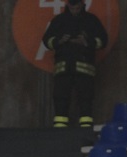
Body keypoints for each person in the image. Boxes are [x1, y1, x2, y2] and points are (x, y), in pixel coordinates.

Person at [42, 0, 108, 128]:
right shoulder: (59, 20)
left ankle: (86, 126)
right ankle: (60, 125)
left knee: (86, 97)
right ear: (68, 6)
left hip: (84, 68)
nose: (75, 11)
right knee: (60, 97)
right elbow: (47, 40)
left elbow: (103, 40)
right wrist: (59, 41)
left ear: (82, 5)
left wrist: (86, 42)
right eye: (72, 8)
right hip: (63, 67)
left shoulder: (91, 20)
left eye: (77, 8)